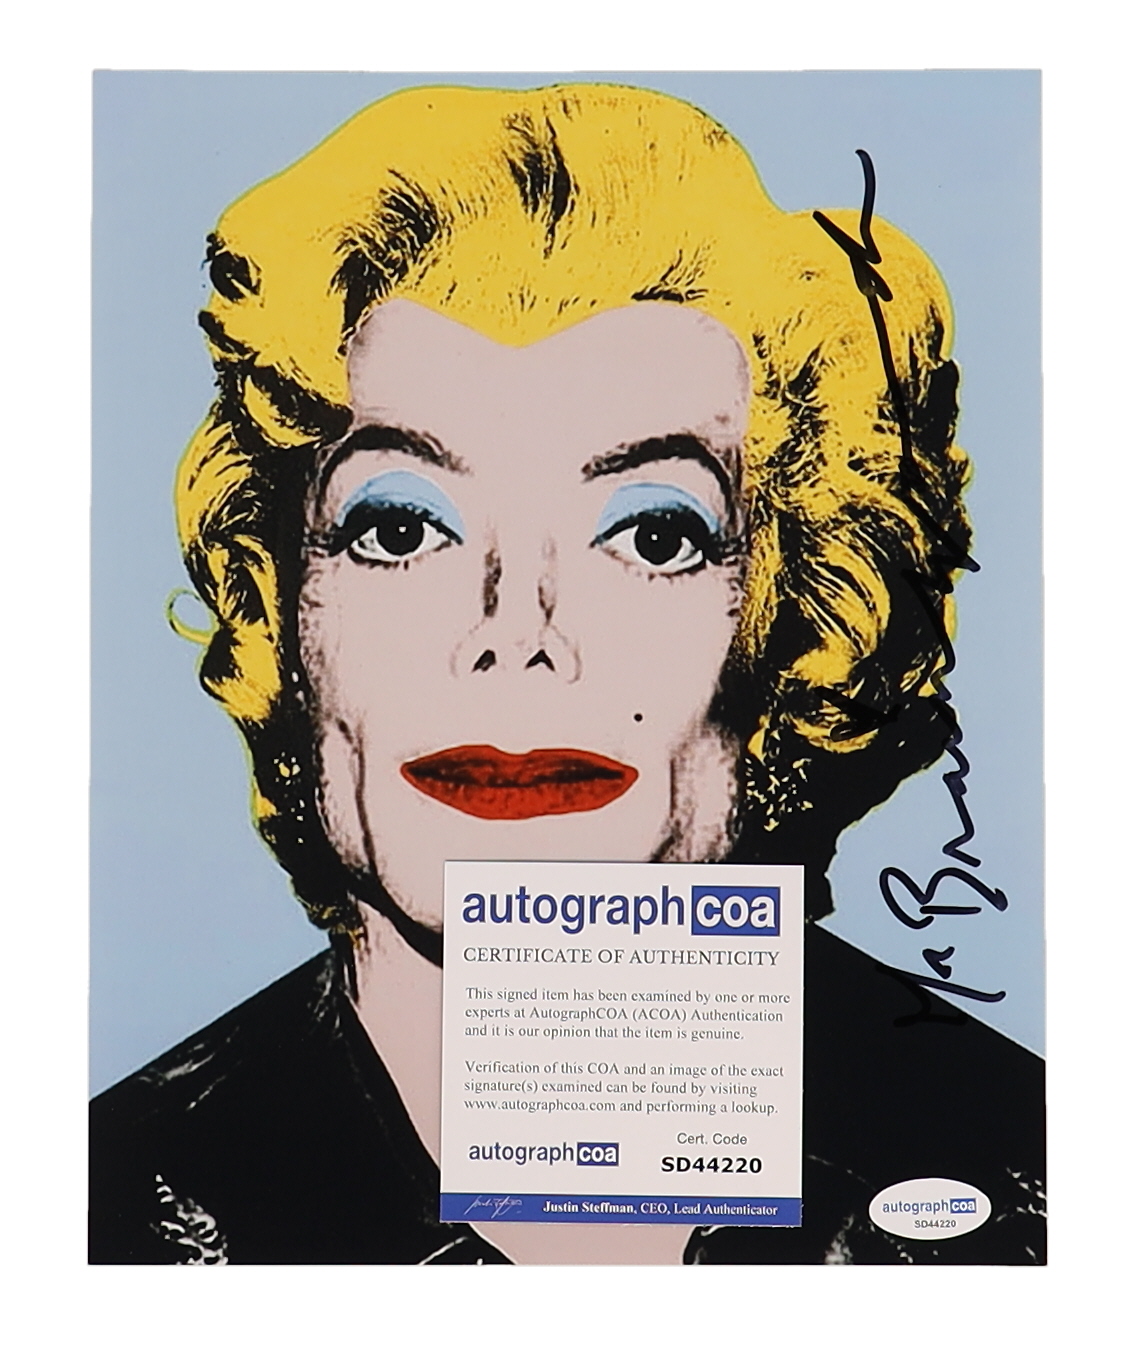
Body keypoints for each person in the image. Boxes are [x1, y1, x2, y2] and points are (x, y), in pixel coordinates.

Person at [89, 83, 1045, 1265]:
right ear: (280, 607)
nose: (513, 632)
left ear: (801, 620)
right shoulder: (93, 1218)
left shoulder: (1050, 1185)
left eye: (654, 534)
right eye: (400, 526)